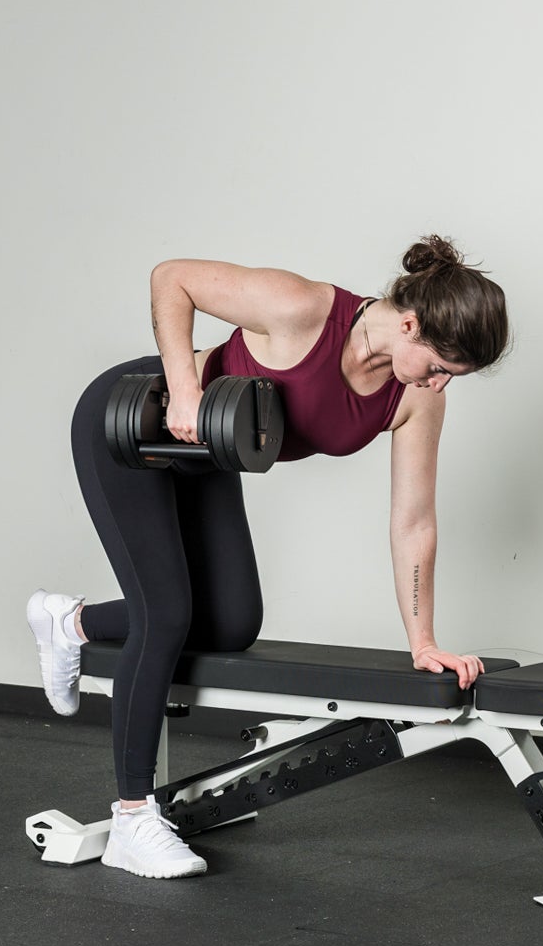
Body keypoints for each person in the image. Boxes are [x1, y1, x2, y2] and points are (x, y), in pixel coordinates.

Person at [26, 235, 510, 879]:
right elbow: (172, 277)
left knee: (230, 623)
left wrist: (423, 642)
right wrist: (184, 390)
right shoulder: (303, 308)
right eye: (439, 365)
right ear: (410, 324)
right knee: (165, 613)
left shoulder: (416, 399)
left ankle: (70, 623)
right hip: (132, 420)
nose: (439, 381)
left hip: (206, 452)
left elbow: (414, 521)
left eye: (452, 376)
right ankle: (132, 818)